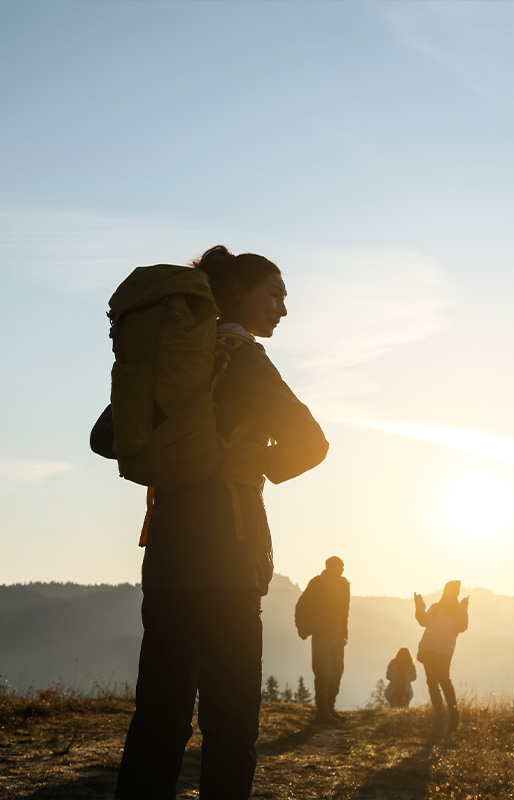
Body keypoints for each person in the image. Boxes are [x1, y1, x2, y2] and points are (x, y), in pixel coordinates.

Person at [115, 246, 329, 800]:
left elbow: (105, 436)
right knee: (231, 723)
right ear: (236, 291)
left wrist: (180, 455)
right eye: (274, 294)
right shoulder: (244, 358)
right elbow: (312, 443)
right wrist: (253, 463)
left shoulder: (172, 360)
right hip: (230, 562)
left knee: (158, 718)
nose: (282, 308)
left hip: (168, 555)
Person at [295, 556, 350, 725]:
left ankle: (329, 708)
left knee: (337, 672)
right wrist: (302, 628)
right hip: (321, 633)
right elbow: (302, 604)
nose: (342, 569)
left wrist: (344, 633)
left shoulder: (344, 585)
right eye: (340, 566)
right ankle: (322, 711)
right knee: (323, 672)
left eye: (343, 567)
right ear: (330, 567)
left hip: (337, 635)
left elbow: (344, 612)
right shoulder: (317, 584)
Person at [414, 581, 469, 731]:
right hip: (441, 651)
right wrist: (419, 606)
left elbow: (423, 621)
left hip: (430, 649)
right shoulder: (452, 610)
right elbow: (462, 627)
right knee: (442, 681)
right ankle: (451, 715)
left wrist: (419, 607)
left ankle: (442, 716)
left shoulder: (437, 608)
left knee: (434, 682)